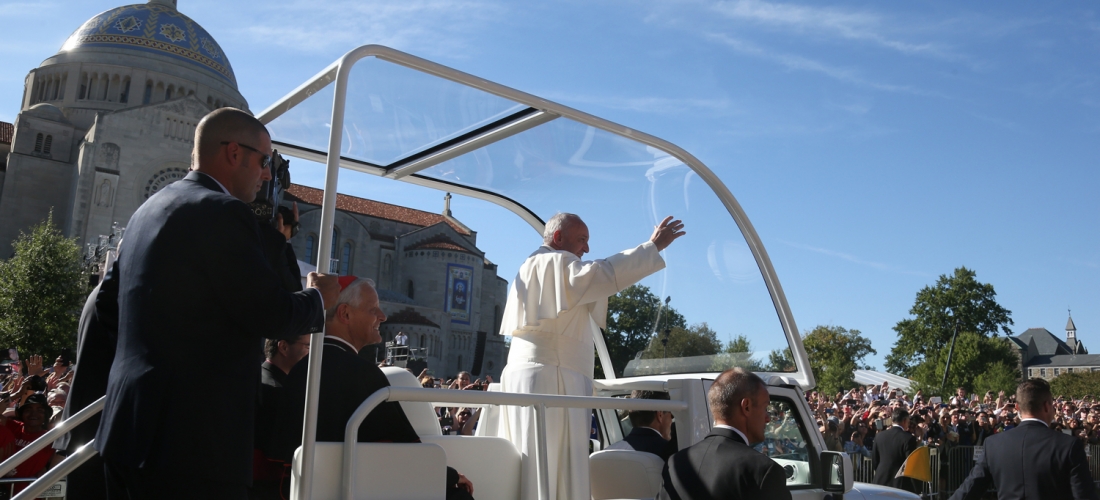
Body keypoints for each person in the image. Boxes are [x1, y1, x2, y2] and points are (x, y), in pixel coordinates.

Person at [94, 108, 340, 500]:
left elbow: (106, 307)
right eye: (264, 161)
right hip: (193, 445)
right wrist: (318, 299)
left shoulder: (146, 211)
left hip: (126, 432)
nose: (265, 175)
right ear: (232, 152)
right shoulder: (224, 212)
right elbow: (270, 313)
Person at [497, 212, 685, 500]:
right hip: (555, 380)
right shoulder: (555, 262)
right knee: (554, 467)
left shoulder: (529, 266)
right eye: (582, 239)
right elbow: (604, 273)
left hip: (532, 378)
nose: (586, 249)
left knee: (530, 463)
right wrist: (652, 247)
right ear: (558, 237)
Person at [272, 276, 474, 499]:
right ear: (345, 314)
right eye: (373, 309)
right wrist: (452, 477)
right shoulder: (362, 374)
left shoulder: (300, 369)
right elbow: (405, 453)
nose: (383, 316)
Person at [950, 378, 1098, 500]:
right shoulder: (1069, 445)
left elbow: (968, 491)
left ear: (1017, 408)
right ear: (1047, 406)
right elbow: (1084, 495)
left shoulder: (993, 444)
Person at [656, 368, 790, 500]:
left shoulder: (675, 463)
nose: (768, 418)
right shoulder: (763, 471)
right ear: (746, 407)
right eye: (765, 408)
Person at [607, 390, 674, 460]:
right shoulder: (672, 454)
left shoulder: (608, 452)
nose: (671, 420)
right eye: (672, 415)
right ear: (660, 415)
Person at [871, 408, 921, 494]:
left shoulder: (879, 436)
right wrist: (918, 490)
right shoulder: (908, 438)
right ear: (905, 421)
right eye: (909, 421)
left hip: (880, 481)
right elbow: (911, 465)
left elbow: (875, 461)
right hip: (900, 484)